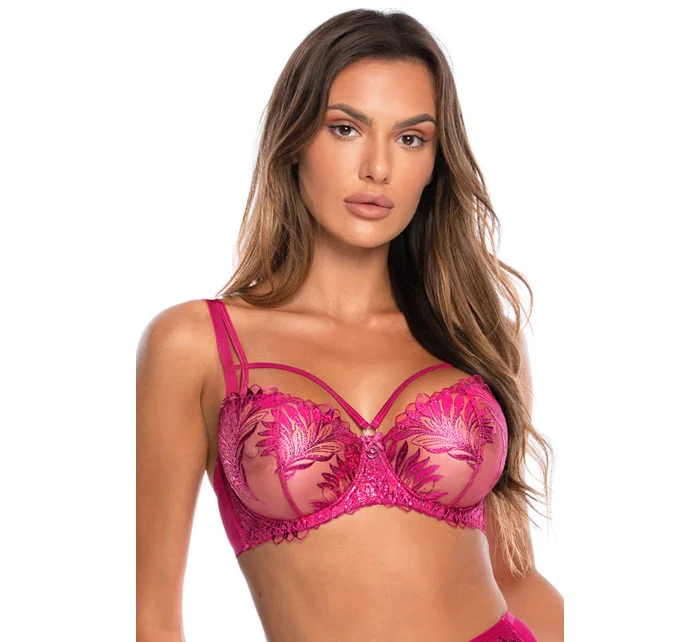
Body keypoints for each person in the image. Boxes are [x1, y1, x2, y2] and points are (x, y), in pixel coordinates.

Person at [136, 8, 563, 642]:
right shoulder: (194, 343)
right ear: (294, 140)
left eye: (411, 138)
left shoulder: (482, 339)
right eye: (345, 128)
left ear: (436, 163)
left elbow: (518, 576)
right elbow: (153, 615)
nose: (378, 168)